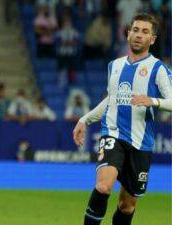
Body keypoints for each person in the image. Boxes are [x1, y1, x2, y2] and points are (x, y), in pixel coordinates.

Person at [72, 13, 172, 225]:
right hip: (113, 134)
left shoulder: (159, 69)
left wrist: (153, 101)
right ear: (128, 34)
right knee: (103, 186)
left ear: (152, 39)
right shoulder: (114, 66)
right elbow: (112, 100)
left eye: (145, 32)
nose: (139, 35)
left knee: (127, 206)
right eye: (135, 30)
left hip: (141, 142)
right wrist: (85, 119)